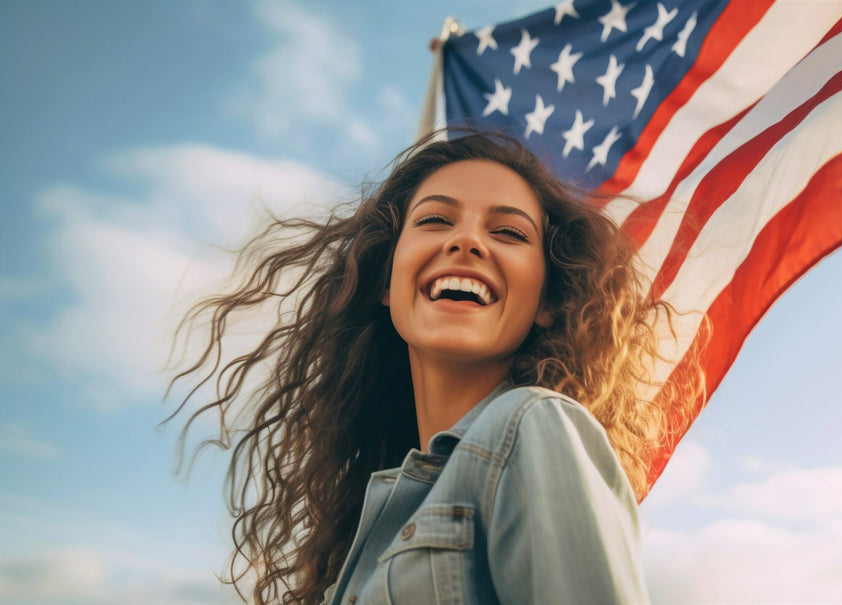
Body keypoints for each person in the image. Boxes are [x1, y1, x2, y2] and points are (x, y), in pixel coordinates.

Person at [168, 130, 704, 604]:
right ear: (384, 279)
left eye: (510, 233)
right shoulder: (376, 516)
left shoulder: (534, 423)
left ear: (548, 301)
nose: (465, 240)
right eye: (435, 220)